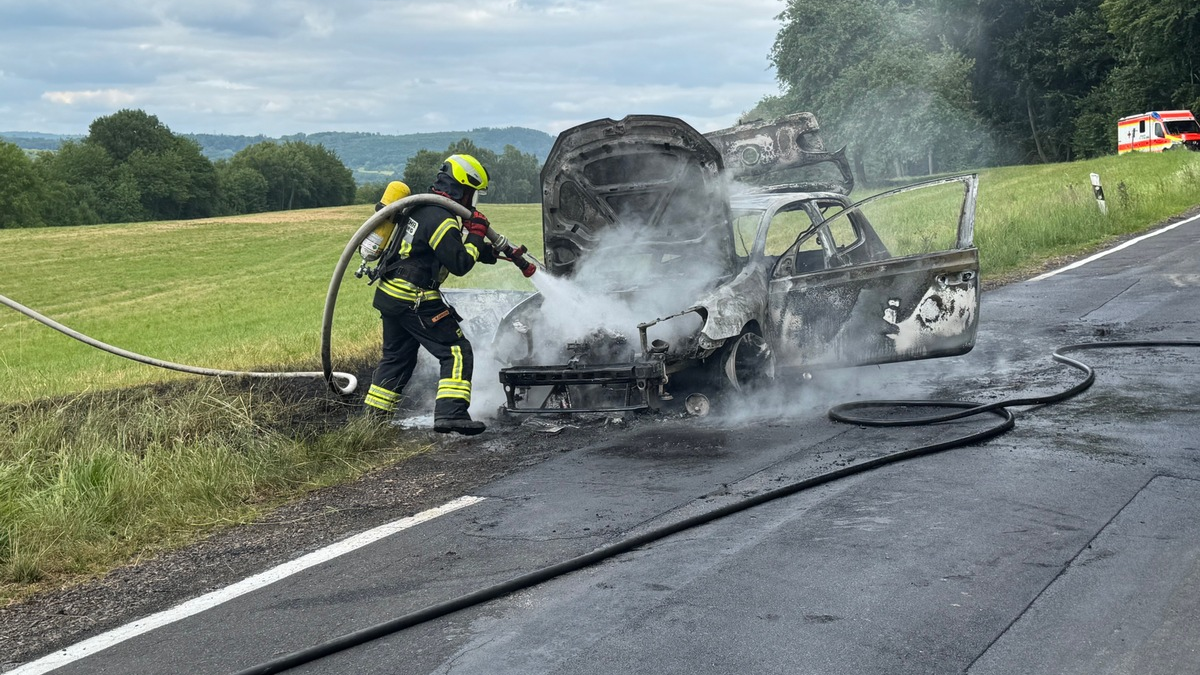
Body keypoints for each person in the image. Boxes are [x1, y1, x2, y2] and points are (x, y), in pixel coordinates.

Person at [363, 154, 497, 435]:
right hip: (415, 299)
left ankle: (371, 422)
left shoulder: (422, 208)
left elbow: (437, 247)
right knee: (457, 351)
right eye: (473, 193)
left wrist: (490, 251)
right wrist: (476, 234)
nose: (474, 200)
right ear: (463, 188)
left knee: (397, 358)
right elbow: (459, 263)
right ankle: (451, 413)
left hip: (391, 294)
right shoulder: (443, 219)